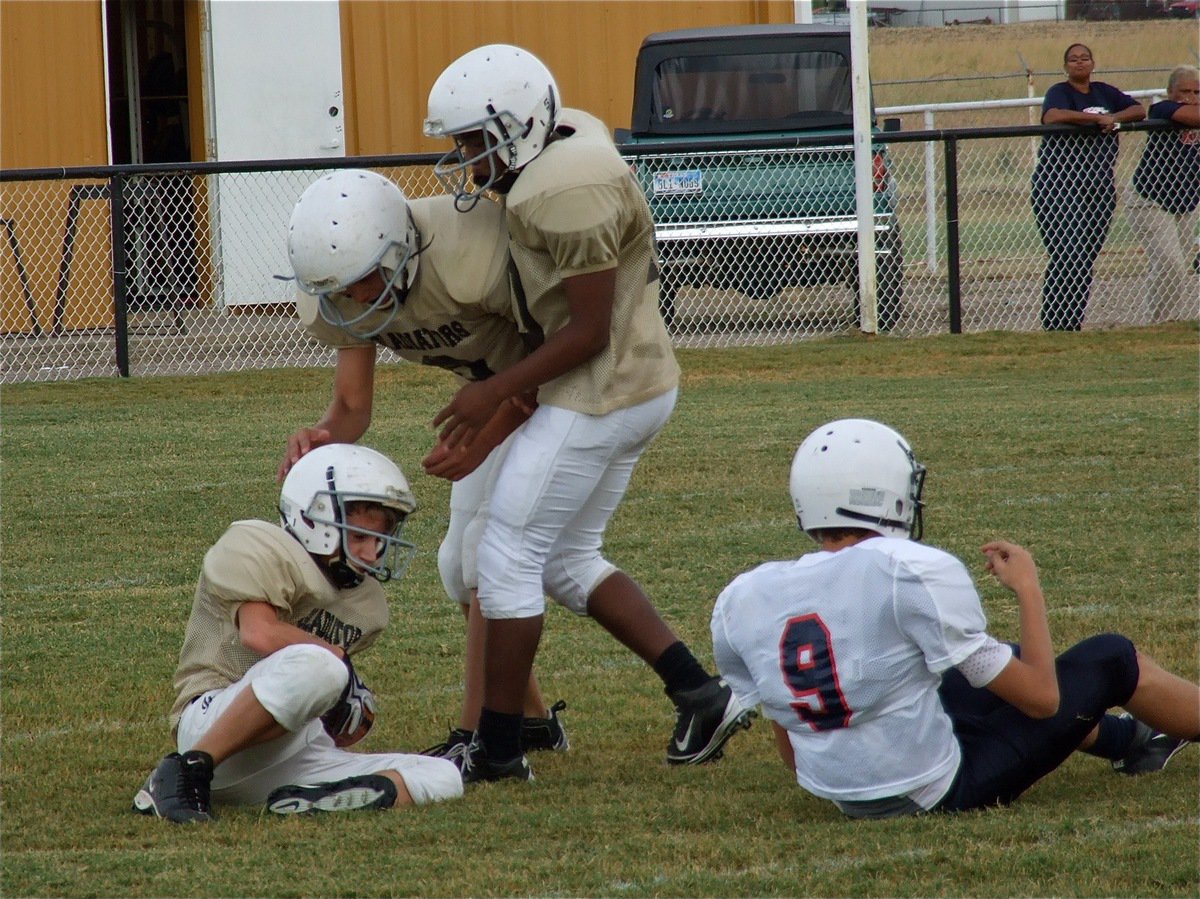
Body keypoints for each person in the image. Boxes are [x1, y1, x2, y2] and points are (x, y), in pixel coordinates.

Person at [423, 44, 755, 781]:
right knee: (567, 561)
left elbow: (586, 331)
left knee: (504, 555)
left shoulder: (559, 190)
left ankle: (503, 748)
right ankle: (700, 692)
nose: (465, 159)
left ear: (518, 126)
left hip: (601, 389)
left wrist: (490, 392)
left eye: (474, 143)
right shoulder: (564, 138)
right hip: (633, 381)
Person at [711, 418, 1198, 818]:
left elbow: (786, 726)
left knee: (980, 664)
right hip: (936, 790)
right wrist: (1028, 588)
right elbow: (1043, 699)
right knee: (1111, 657)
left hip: (839, 792)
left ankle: (1135, 740)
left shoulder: (747, 593)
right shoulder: (907, 570)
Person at [280, 169, 568, 768]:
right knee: (455, 568)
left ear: (400, 249)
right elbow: (352, 409)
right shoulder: (347, 288)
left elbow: (554, 355)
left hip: (560, 392)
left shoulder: (473, 253)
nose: (357, 299)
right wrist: (322, 437)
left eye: (365, 281)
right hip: (496, 398)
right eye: (343, 289)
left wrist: (485, 438)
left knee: (485, 561)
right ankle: (532, 720)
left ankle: (480, 736)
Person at [132, 444, 463, 823]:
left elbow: (305, 692)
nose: (372, 554)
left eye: (379, 540)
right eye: (359, 538)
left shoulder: (367, 602)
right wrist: (341, 669)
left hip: (292, 753)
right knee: (324, 667)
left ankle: (309, 799)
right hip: (212, 724)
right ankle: (183, 771)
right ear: (315, 521)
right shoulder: (258, 544)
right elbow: (259, 633)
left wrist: (342, 712)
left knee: (442, 776)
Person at [1031, 43, 1144, 331]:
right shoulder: (1060, 92)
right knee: (1069, 253)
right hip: (1059, 185)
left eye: (1085, 58)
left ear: (1093, 63)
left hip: (1098, 187)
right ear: (1065, 66)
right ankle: (1055, 323)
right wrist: (1096, 119)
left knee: (1086, 257)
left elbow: (1138, 109)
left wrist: (1114, 118)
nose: (1079, 63)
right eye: (1073, 59)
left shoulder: (1105, 92)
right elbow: (1052, 116)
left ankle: (1072, 323)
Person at [1125, 65, 1200, 324]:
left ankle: (1169, 320)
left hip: (1186, 202)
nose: (1191, 97)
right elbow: (1191, 117)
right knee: (1170, 263)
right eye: (1184, 91)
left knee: (1178, 266)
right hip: (1150, 200)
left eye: (1196, 92)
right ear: (1170, 91)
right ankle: (1158, 322)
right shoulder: (1163, 109)